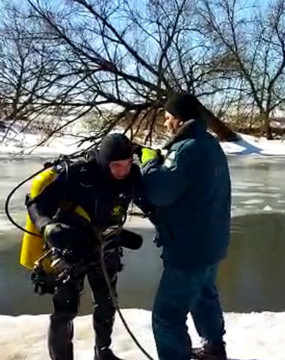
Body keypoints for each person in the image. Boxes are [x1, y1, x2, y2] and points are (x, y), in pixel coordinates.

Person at [27, 133, 144, 360]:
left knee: (107, 302)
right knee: (66, 310)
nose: (123, 171)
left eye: (128, 164)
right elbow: (37, 205)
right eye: (116, 165)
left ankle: (103, 352)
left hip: (106, 247)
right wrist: (47, 227)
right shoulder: (78, 175)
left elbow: (150, 204)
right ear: (104, 161)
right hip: (73, 250)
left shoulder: (131, 178)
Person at [138, 93, 231, 360]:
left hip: (189, 248)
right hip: (212, 243)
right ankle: (214, 348)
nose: (166, 124)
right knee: (204, 296)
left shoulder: (187, 149)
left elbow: (160, 192)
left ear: (179, 119)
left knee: (167, 316)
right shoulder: (211, 144)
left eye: (168, 118)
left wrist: (149, 162)